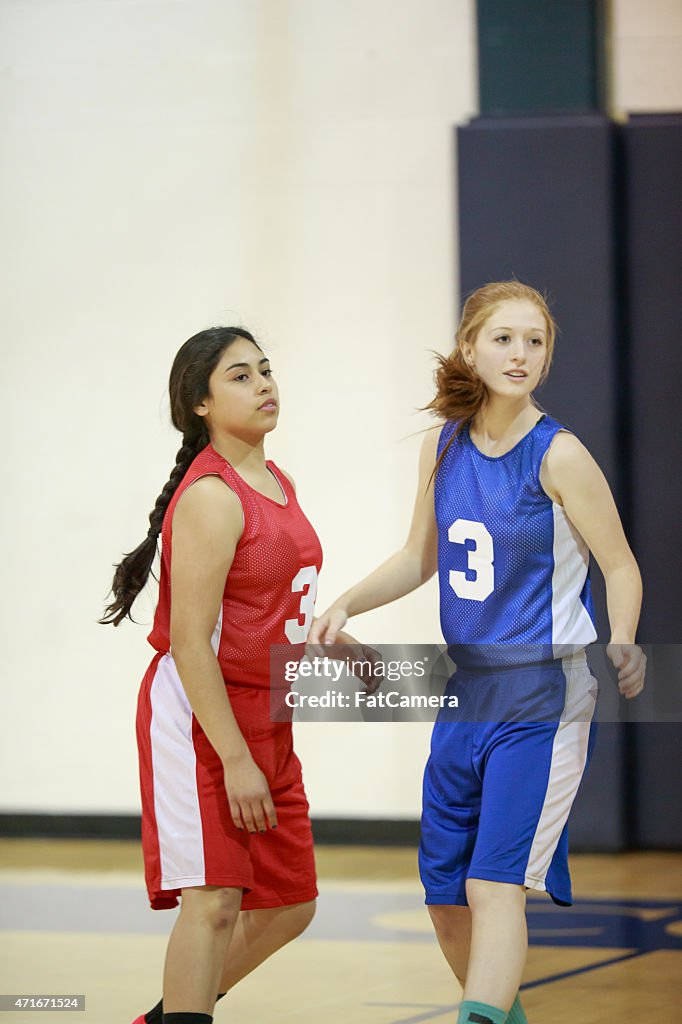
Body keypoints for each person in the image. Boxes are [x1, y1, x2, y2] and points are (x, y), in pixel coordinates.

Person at [309, 281, 646, 1024]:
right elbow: (416, 556)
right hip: (465, 691)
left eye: (535, 340)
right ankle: (500, 1013)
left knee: (495, 885)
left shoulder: (560, 455)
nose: (521, 353)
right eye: (504, 338)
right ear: (470, 347)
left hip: (543, 693)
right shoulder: (445, 443)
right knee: (445, 894)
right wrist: (346, 603)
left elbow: (618, 562)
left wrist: (621, 638)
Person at [100, 326, 373, 1024]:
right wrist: (234, 759)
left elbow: (272, 606)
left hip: (269, 709)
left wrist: (344, 646)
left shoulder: (278, 481)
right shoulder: (211, 498)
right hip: (204, 718)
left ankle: (164, 1018)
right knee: (214, 900)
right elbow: (192, 645)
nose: (264, 385)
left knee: (291, 905)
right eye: (241, 377)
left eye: (266, 371)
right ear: (199, 403)